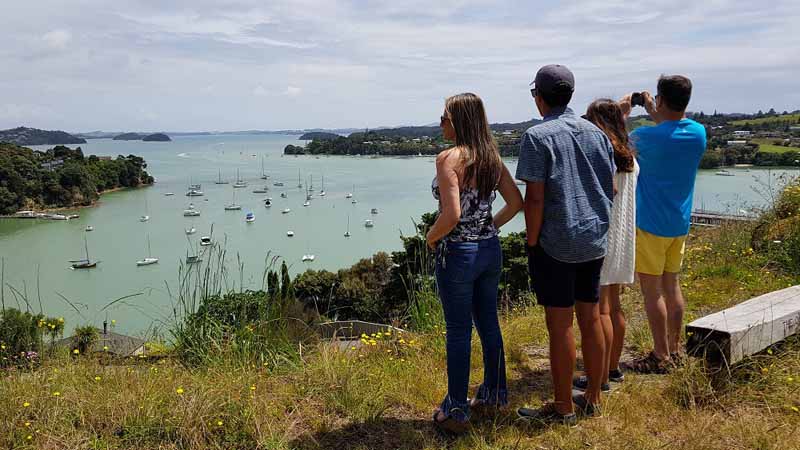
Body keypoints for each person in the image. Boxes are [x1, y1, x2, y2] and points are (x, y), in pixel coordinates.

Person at [515, 65, 616, 425]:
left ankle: (562, 407)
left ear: (538, 97)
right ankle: (593, 396)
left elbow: (536, 199)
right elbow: (611, 188)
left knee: (560, 326)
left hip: (557, 242)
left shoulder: (537, 136)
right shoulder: (598, 134)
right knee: (590, 317)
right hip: (593, 238)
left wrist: (531, 241)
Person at [425, 92, 523, 433]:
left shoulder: (448, 159)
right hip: (489, 250)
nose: (440, 122)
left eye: (444, 117)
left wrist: (431, 237)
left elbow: (451, 215)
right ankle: (495, 396)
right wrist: (488, 227)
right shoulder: (491, 158)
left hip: (459, 254)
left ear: (459, 121)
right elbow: (515, 203)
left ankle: (456, 409)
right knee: (489, 324)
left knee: (458, 331)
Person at [619, 75, 706, 373]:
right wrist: (658, 110)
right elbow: (670, 128)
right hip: (678, 223)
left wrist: (622, 112)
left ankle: (659, 355)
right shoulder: (698, 133)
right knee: (672, 287)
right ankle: (674, 348)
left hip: (650, 224)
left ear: (662, 99)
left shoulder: (645, 137)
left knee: (652, 292)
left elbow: (617, 143)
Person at [572, 99, 639, 393]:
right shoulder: (629, 159)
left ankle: (598, 379)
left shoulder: (603, 154)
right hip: (624, 237)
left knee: (599, 311)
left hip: (604, 235)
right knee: (614, 307)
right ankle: (612, 368)